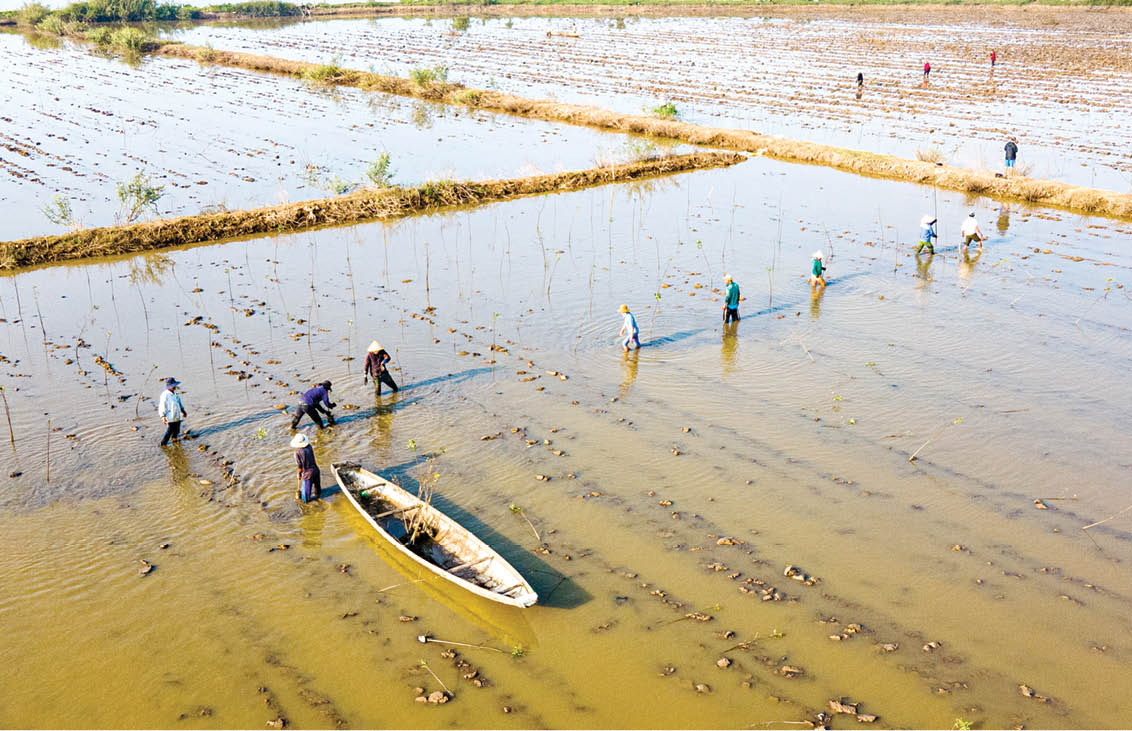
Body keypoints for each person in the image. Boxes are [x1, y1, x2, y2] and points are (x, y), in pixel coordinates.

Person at [291, 433, 321, 503]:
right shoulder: (309, 447)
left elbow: (299, 466)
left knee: (306, 499)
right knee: (318, 491)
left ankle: (307, 508)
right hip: (316, 470)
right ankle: (319, 499)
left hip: (308, 475)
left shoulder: (297, 452)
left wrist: (298, 474)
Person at [158, 377, 187, 446]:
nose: (174, 387)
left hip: (177, 415)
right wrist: (162, 416)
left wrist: (183, 411)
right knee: (169, 430)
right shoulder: (165, 395)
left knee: (177, 430)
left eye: (174, 385)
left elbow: (179, 403)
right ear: (169, 386)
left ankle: (175, 440)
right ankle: (163, 444)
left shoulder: (175, 393)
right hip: (170, 416)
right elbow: (162, 406)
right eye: (173, 386)